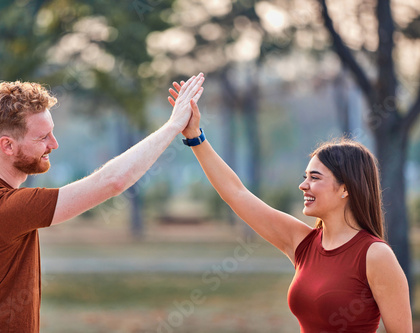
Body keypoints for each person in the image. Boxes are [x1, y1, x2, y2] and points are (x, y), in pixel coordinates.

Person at [0, 73, 204, 332]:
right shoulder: (1, 207)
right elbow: (112, 181)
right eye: (42, 137)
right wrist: (173, 125)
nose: (54, 144)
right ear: (7, 145)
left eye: (52, 133)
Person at [168, 81, 412, 332]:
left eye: (315, 178)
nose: (303, 185)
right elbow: (236, 194)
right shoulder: (302, 242)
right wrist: (195, 136)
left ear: (346, 188)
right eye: (305, 176)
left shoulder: (375, 255)